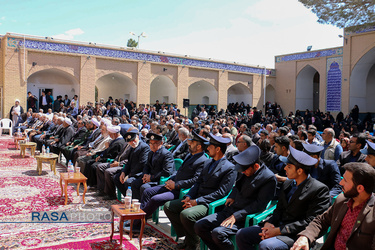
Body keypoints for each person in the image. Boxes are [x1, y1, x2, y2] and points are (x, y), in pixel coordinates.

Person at [235, 146, 330, 250]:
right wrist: (269, 223)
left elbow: (310, 221)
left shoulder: (319, 189)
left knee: (266, 245)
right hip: (277, 226)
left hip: (295, 234)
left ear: (299, 171)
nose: (284, 168)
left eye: (289, 166)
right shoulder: (288, 183)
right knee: (242, 235)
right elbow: (279, 209)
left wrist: (278, 231)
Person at [195, 145, 277, 250]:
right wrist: (232, 196)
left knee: (218, 233)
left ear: (256, 166)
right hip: (230, 210)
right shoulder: (245, 168)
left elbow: (259, 205)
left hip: (245, 217)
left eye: (245, 170)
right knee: (200, 225)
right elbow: (237, 186)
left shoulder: (268, 178)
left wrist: (236, 216)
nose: (243, 172)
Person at [164, 133, 237, 250]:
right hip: (196, 198)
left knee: (186, 214)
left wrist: (197, 201)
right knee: (169, 206)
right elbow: (197, 183)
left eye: (210, 146)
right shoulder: (208, 162)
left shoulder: (229, 168)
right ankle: (192, 238)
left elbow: (221, 192)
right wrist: (189, 196)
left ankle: (193, 244)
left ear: (218, 149)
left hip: (210, 203)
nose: (207, 148)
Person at [127, 131, 209, 232]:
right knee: (147, 192)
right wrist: (171, 180)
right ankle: (139, 221)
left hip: (181, 190)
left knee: (155, 199)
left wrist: (176, 185)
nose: (189, 144)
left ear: (199, 147)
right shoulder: (190, 155)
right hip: (172, 185)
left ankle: (136, 223)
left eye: (192, 143)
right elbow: (179, 172)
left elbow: (195, 180)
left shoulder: (203, 160)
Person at [291, 162, 375, 250]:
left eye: (345, 180)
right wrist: (305, 236)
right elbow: (321, 221)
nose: (340, 182)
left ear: (360, 188)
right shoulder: (342, 200)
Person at [130, 132, 174, 200]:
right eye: (151, 143)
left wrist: (151, 177)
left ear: (161, 143)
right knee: (134, 183)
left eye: (155, 143)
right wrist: (145, 174)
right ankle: (137, 204)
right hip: (149, 177)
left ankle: (145, 207)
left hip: (158, 179)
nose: (152, 146)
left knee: (144, 187)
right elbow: (147, 165)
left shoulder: (166, 154)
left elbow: (167, 171)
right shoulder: (151, 153)